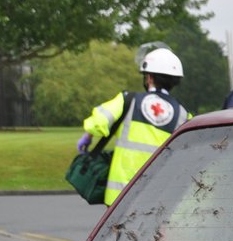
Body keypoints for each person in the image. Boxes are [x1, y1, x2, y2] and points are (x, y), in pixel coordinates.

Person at [79, 47, 191, 205]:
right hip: (157, 199)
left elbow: (98, 123)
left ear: (149, 77)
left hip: (120, 197)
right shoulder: (183, 114)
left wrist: (88, 137)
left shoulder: (128, 100)